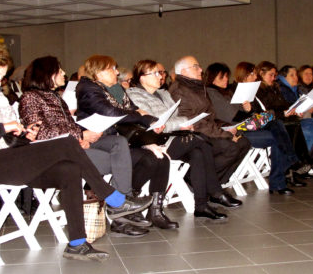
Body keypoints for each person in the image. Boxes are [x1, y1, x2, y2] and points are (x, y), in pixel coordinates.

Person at [0, 44, 150, 261]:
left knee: (70, 169)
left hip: (5, 157)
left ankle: (77, 243)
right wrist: (3, 127)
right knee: (67, 144)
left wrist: (22, 134)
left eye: (2, 76)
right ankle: (115, 200)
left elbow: (4, 139)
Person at [19, 56, 150, 237]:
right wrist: (80, 135)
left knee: (119, 143)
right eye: (60, 70)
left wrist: (84, 135)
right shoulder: (30, 97)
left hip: (73, 145)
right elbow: (37, 132)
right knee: (122, 160)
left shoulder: (55, 97)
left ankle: (122, 204)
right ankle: (120, 209)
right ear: (47, 74)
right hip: (56, 154)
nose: (64, 73)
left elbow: (68, 126)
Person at [127, 59, 240, 219]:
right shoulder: (135, 95)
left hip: (176, 138)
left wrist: (182, 123)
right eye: (155, 73)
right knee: (200, 141)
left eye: (161, 72)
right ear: (142, 77)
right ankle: (215, 191)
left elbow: (178, 117)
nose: (160, 76)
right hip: (155, 142)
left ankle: (201, 205)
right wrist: (182, 124)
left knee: (198, 153)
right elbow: (157, 123)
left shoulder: (164, 94)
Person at [75, 55, 177, 229]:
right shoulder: (87, 87)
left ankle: (154, 211)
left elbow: (133, 109)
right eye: (112, 69)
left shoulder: (114, 88)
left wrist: (152, 121)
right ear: (99, 73)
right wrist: (144, 119)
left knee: (159, 159)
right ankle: (122, 211)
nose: (116, 72)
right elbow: (111, 112)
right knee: (144, 157)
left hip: (119, 141)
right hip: (99, 142)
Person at [205, 62, 298, 195]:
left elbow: (243, 114)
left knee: (278, 126)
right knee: (277, 135)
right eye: (222, 77)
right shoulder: (213, 93)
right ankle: (282, 175)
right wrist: (248, 111)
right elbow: (234, 117)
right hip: (236, 131)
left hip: (245, 126)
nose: (226, 79)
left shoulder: (225, 92)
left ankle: (285, 169)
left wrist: (249, 111)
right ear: (212, 78)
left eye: (226, 76)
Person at [168, 56, 250, 186]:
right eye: (196, 67)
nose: (201, 69)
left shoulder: (198, 88)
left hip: (206, 132)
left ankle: (216, 184)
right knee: (230, 148)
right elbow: (193, 122)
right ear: (183, 72)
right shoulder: (179, 91)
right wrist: (226, 135)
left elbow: (211, 118)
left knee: (244, 142)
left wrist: (226, 127)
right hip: (193, 135)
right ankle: (198, 180)